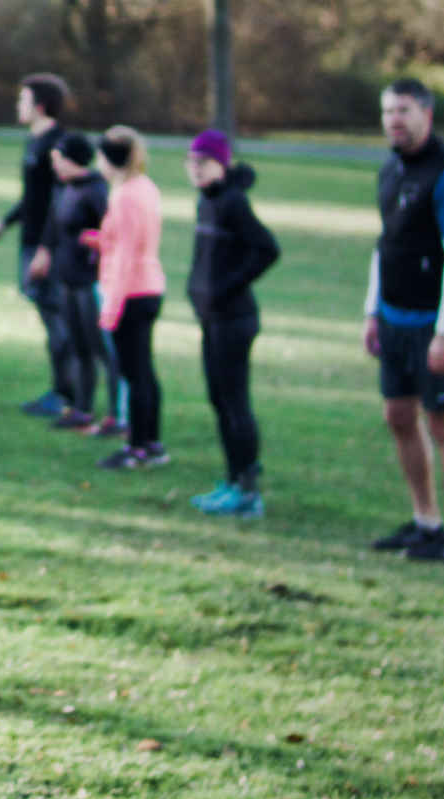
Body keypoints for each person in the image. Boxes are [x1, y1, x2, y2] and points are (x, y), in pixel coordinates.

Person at [364, 77, 444, 563]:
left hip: (435, 323)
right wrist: (372, 309)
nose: (395, 119)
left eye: (404, 110)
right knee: (398, 416)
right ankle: (425, 521)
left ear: (426, 115)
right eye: (388, 110)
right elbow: (384, 244)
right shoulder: (390, 170)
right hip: (392, 317)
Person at [185, 129, 279, 519]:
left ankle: (249, 492)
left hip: (234, 318)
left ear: (221, 164)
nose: (196, 170)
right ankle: (231, 480)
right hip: (212, 318)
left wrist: (226, 287)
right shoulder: (206, 202)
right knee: (218, 399)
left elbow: (267, 249)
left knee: (235, 402)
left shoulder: (233, 202)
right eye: (191, 162)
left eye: (203, 163)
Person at [0, 73, 75, 417]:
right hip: (30, 240)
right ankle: (63, 390)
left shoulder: (58, 144)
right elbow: (32, 198)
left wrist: (46, 250)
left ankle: (67, 395)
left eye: (23, 99)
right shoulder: (33, 143)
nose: (17, 105)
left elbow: (58, 202)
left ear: (40, 106)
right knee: (50, 317)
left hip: (48, 247)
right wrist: (3, 224)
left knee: (58, 319)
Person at [80, 126, 167, 468]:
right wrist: (101, 240)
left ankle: (137, 448)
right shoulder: (145, 187)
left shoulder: (125, 195)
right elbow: (130, 240)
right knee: (144, 370)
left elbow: (128, 254)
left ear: (109, 158)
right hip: (148, 287)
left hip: (131, 291)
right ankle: (152, 443)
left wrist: (111, 307)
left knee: (134, 373)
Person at [28, 133, 112, 431]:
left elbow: (112, 234)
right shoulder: (65, 188)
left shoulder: (96, 190)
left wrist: (93, 244)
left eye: (57, 160)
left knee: (99, 348)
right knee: (78, 346)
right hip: (66, 279)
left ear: (72, 159)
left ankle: (116, 414)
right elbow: (53, 224)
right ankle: (81, 409)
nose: (54, 166)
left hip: (90, 282)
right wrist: (44, 252)